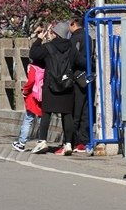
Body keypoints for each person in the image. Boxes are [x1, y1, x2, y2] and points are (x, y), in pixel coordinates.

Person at [29, 21, 85, 155]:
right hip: (67, 85)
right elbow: (82, 62)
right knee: (67, 115)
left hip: (51, 85)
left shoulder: (48, 47)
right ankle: (68, 144)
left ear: (55, 33)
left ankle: (42, 141)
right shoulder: (72, 48)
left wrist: (39, 39)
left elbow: (33, 54)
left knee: (46, 113)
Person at [14, 26, 46, 152]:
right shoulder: (46, 66)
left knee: (28, 119)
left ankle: (21, 143)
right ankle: (42, 141)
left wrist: (25, 90)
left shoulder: (33, 67)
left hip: (33, 96)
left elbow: (31, 81)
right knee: (43, 118)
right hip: (44, 95)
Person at [68, 17, 93, 153]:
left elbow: (74, 59)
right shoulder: (87, 37)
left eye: (69, 24)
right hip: (87, 78)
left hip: (76, 78)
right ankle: (84, 140)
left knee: (75, 111)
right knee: (86, 110)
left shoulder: (74, 39)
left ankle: (75, 140)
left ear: (73, 24)